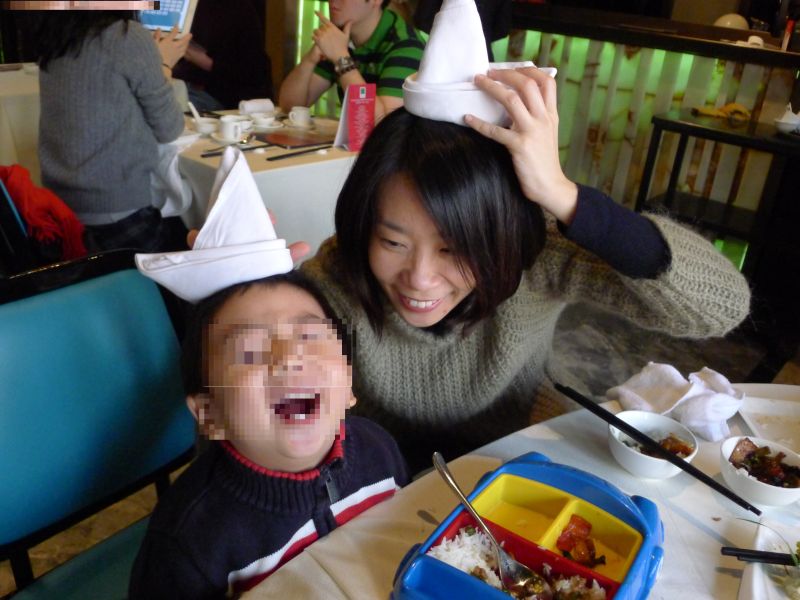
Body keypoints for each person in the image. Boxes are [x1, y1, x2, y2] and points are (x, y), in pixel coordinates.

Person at [297, 67, 752, 473]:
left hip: (515, 458)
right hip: (374, 477)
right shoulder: (340, 274)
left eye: (455, 249)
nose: (419, 277)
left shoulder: (536, 256)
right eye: (393, 242)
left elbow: (718, 306)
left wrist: (565, 196)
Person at [129, 270, 409, 598]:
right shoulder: (189, 539)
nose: (289, 358)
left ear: (348, 382)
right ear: (210, 414)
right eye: (249, 352)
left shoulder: (380, 450)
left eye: (309, 337)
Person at [35, 11, 190, 252]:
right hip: (117, 213)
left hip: (62, 210)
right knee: (198, 232)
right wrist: (164, 64)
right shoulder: (126, 36)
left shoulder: (56, 38)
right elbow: (169, 128)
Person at [278, 0, 425, 120]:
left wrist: (341, 58)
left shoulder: (406, 45)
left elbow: (382, 124)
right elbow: (291, 106)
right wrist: (310, 59)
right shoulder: (340, 37)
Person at [171, 0, 274, 111]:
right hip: (182, 85)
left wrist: (197, 57)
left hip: (221, 97)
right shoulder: (175, 4)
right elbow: (152, 5)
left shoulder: (236, 8)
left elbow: (252, 71)